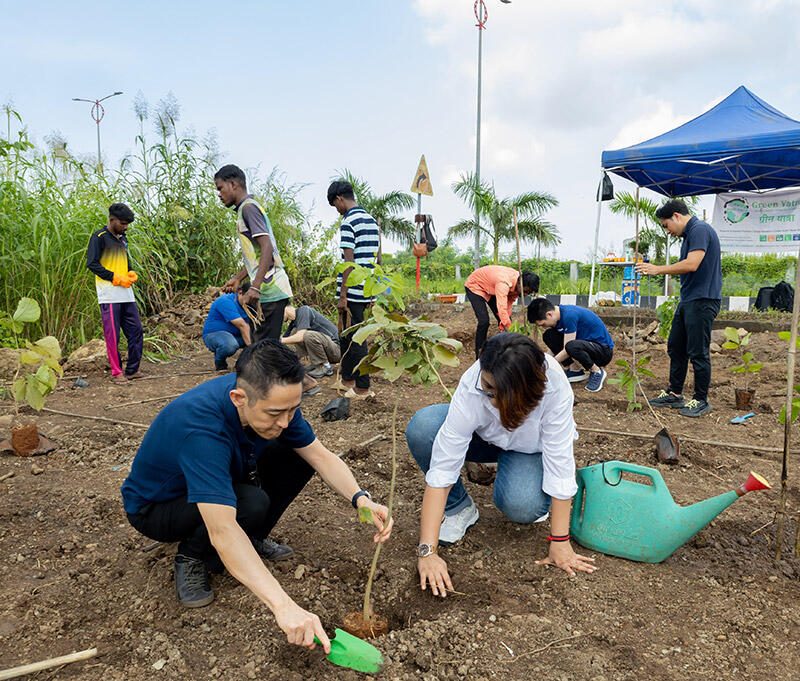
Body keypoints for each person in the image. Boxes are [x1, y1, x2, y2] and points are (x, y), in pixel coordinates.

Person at [121, 340, 392, 653]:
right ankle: (191, 557)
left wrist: (361, 498)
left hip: (218, 478)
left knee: (296, 457)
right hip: (157, 508)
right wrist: (283, 605)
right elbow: (223, 529)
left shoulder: (270, 395)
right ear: (239, 398)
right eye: (276, 413)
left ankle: (251, 539)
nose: (286, 422)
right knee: (250, 504)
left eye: (294, 409)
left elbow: (319, 455)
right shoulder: (202, 429)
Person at [406, 333, 596, 597]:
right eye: (487, 387)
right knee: (424, 426)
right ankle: (459, 508)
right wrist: (427, 551)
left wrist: (560, 541)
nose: (489, 397)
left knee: (522, 505)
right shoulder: (475, 383)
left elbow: (560, 461)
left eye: (498, 393)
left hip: (530, 449)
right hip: (485, 440)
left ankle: (525, 480)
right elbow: (443, 469)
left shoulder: (553, 386)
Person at [635, 199, 722, 418]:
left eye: (666, 225)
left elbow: (692, 264)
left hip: (703, 300)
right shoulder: (689, 235)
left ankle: (701, 400)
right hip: (689, 300)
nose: (667, 231)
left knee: (698, 352)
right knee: (676, 346)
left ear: (676, 216)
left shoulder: (699, 229)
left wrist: (657, 270)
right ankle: (675, 393)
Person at [214, 164, 292, 341]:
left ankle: (286, 369)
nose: (219, 194)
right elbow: (256, 256)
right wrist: (238, 278)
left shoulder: (248, 208)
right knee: (264, 345)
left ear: (233, 184)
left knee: (263, 347)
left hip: (270, 289)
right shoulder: (246, 208)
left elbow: (267, 247)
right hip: (268, 288)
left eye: (220, 188)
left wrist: (255, 286)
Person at [327, 180, 380, 398]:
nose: (337, 211)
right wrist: (374, 290)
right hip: (367, 287)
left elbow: (349, 262)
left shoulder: (349, 222)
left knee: (357, 338)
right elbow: (377, 258)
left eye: (335, 205)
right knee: (347, 336)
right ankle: (347, 379)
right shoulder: (371, 220)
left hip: (352, 289)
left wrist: (343, 294)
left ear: (340, 199)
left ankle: (363, 387)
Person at [86, 203, 146, 385]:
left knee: (136, 331)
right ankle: (116, 372)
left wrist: (131, 271)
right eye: (123, 223)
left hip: (127, 294)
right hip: (109, 295)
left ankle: (132, 370)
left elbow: (125, 260)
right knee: (113, 336)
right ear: (112, 220)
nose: (126, 226)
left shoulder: (122, 238)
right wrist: (115, 278)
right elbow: (92, 264)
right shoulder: (99, 237)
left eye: (128, 223)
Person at [527, 298, 614, 392]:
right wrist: (543, 362)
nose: (544, 327)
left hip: (603, 351)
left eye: (543, 324)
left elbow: (567, 349)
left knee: (571, 346)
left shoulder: (569, 315)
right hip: (585, 346)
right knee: (549, 335)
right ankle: (575, 370)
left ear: (549, 314)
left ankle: (596, 371)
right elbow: (554, 347)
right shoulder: (558, 317)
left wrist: (548, 366)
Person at [464, 265, 539, 358]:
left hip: (492, 287)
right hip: (476, 285)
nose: (526, 295)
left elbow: (508, 305)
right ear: (520, 283)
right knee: (484, 321)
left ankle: (506, 353)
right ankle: (479, 354)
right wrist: (508, 328)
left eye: (529, 293)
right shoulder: (503, 283)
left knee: (506, 320)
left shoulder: (519, 285)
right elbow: (501, 308)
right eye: (525, 291)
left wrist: (505, 324)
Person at [281, 305, 341, 394]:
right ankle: (316, 364)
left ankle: (326, 366)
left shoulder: (303, 310)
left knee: (306, 335)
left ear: (285, 307)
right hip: (327, 349)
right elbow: (284, 339)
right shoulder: (294, 322)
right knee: (294, 332)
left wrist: (280, 340)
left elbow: (300, 337)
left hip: (336, 350)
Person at [202, 285, 252, 371]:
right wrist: (253, 350)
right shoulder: (226, 301)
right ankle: (220, 362)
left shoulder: (251, 305)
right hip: (215, 334)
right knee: (230, 345)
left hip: (237, 336)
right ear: (240, 293)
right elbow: (242, 325)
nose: (252, 302)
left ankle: (241, 363)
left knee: (260, 339)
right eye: (250, 298)